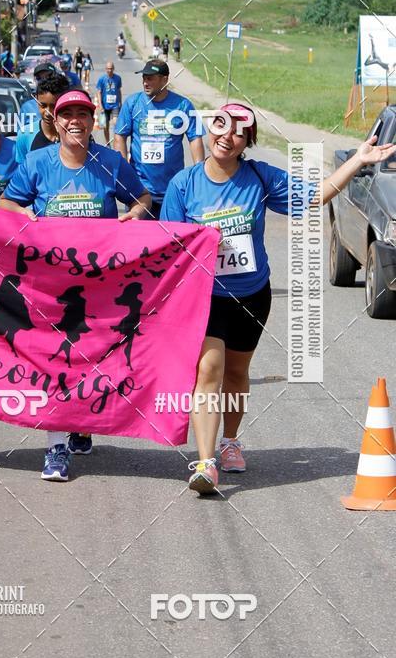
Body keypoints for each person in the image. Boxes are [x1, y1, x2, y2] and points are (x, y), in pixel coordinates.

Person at [160, 102, 396, 495]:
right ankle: (204, 463)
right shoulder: (183, 185)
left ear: (246, 141)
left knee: (236, 374)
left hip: (252, 295)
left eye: (238, 131)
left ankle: (230, 441)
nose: (227, 136)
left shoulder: (259, 177)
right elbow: (169, 245)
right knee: (209, 371)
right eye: (221, 126)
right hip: (204, 297)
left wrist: (358, 159)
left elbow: (315, 197)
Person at [0, 89, 151, 481]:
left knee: (92, 357)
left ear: (92, 120)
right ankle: (55, 449)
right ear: (56, 118)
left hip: (102, 283)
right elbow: (7, 204)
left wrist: (135, 214)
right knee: (56, 360)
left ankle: (81, 420)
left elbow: (144, 199)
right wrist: (27, 220)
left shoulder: (111, 163)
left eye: (83, 114)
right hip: (51, 285)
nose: (75, 122)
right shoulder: (37, 163)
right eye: (67, 114)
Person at [114, 59, 205, 219]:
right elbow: (120, 136)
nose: (145, 82)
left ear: (165, 79)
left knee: (171, 239)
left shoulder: (183, 105)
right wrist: (124, 170)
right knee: (142, 239)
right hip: (140, 189)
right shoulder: (133, 103)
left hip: (173, 188)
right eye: (144, 78)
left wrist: (199, 175)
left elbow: (195, 138)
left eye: (150, 78)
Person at [15, 73, 69, 162]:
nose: (48, 113)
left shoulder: (75, 135)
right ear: (36, 99)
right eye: (43, 105)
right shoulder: (25, 135)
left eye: (54, 106)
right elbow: (22, 172)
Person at [19, 61, 59, 128]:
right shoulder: (27, 107)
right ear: (34, 80)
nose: (43, 80)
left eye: (48, 77)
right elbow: (20, 132)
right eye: (39, 78)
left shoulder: (64, 103)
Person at [96, 61, 123, 146]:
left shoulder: (118, 78)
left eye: (111, 68)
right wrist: (100, 104)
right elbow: (99, 92)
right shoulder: (102, 79)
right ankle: (108, 143)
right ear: (105, 69)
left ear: (113, 69)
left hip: (115, 105)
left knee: (116, 123)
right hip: (105, 105)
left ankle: (116, 141)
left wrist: (120, 102)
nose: (109, 70)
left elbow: (119, 91)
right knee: (105, 126)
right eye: (108, 69)